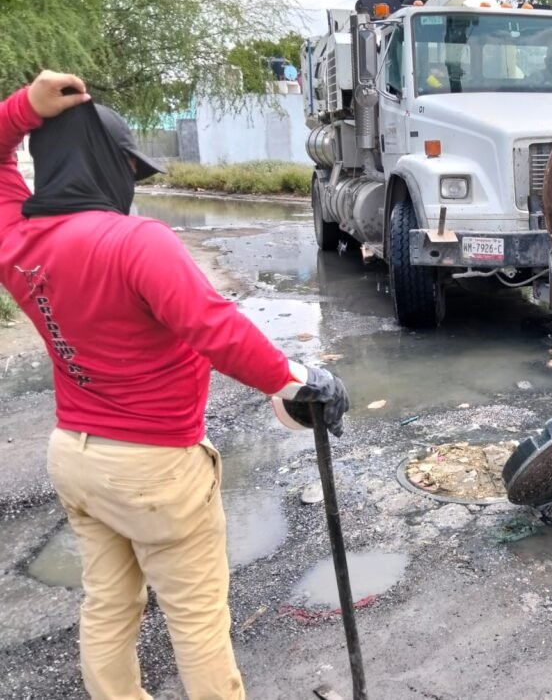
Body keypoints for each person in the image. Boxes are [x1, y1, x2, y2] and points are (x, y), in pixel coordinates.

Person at [0, 70, 348, 699]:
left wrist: (24, 109)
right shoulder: (137, 242)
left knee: (108, 605)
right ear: (106, 166)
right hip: (154, 466)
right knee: (196, 617)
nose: (130, 189)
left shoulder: (17, 243)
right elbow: (214, 328)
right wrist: (298, 380)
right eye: (126, 173)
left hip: (74, 455)